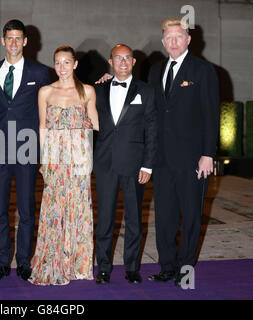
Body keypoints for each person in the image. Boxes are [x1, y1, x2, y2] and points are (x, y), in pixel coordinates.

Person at [147, 18, 219, 286]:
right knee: (164, 216)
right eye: (169, 37)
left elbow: (210, 115)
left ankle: (185, 270)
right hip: (162, 159)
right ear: (163, 41)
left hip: (192, 159)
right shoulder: (155, 71)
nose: (173, 41)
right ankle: (167, 267)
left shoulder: (203, 71)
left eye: (179, 36)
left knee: (190, 215)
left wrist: (207, 154)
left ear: (188, 40)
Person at [0, 20, 51, 282]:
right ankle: (2, 262)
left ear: (25, 41)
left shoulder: (40, 72)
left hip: (27, 146)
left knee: (26, 209)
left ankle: (23, 261)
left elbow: (51, 103)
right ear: (3, 41)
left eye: (18, 38)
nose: (13, 43)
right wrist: (0, 117)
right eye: (9, 38)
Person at [29, 45, 99, 286]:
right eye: (57, 63)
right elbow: (42, 127)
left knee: (78, 209)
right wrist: (43, 159)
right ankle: (53, 261)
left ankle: (77, 265)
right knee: (55, 209)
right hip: (55, 159)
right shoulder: (45, 92)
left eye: (66, 62)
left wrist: (85, 131)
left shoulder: (88, 91)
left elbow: (96, 127)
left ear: (75, 64)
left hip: (79, 157)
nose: (62, 67)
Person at [94, 44, 157, 285]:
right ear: (110, 62)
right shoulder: (98, 89)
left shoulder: (146, 91)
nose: (122, 62)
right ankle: (103, 268)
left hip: (134, 164)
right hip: (105, 163)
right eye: (117, 58)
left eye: (127, 58)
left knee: (133, 219)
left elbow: (152, 129)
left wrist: (148, 165)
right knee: (105, 218)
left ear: (133, 62)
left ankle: (132, 268)